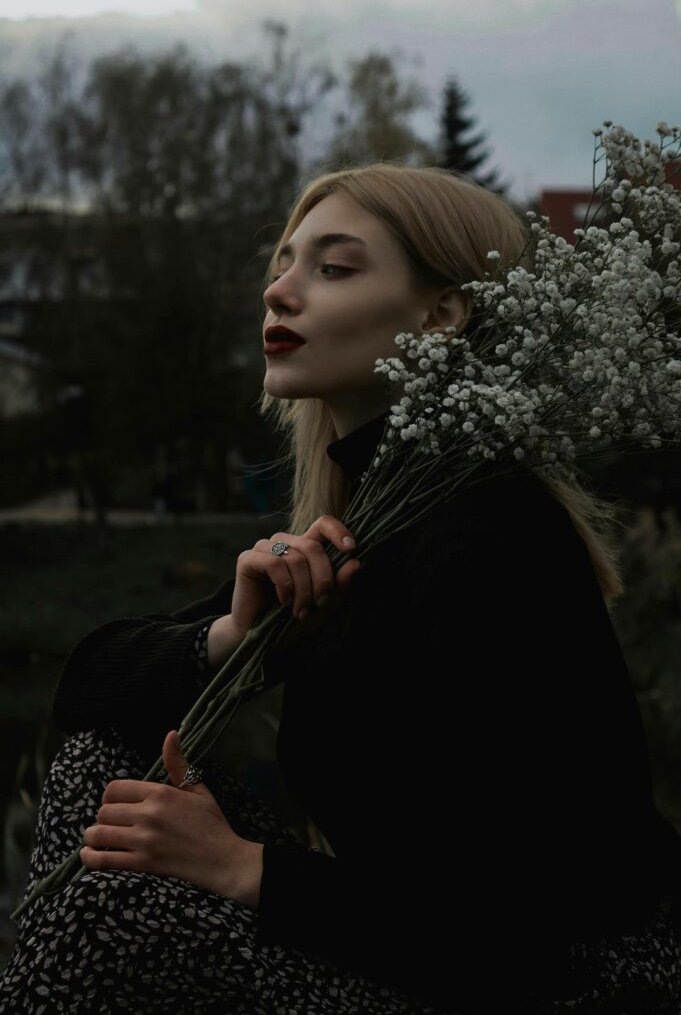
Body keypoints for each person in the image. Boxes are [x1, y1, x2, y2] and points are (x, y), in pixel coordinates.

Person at [2, 164, 681, 1015]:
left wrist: (242, 867)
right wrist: (234, 639)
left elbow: (519, 925)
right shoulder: (365, 523)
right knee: (101, 772)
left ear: (440, 315)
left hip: (567, 987)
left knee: (111, 910)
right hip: (429, 951)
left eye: (332, 267)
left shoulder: (487, 531)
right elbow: (86, 687)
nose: (278, 292)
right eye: (283, 263)